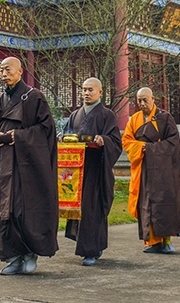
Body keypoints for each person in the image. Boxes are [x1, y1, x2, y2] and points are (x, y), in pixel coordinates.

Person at [0, 57, 59, 275]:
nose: (3, 74)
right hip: (4, 164)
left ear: (20, 71)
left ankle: (30, 253)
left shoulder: (33, 97)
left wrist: (19, 136)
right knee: (6, 210)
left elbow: (46, 129)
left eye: (8, 70)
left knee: (22, 209)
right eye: (1, 70)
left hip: (27, 165)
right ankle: (14, 258)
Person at [122, 87, 180, 253]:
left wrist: (151, 148)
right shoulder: (135, 119)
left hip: (163, 170)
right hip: (144, 168)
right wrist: (142, 147)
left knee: (165, 204)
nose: (142, 103)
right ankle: (152, 242)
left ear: (153, 99)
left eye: (145, 99)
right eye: (139, 100)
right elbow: (126, 141)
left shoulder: (164, 117)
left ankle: (166, 241)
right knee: (146, 204)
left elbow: (174, 144)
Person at [62, 77, 121, 266]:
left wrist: (104, 140)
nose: (86, 93)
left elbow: (116, 142)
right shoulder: (75, 114)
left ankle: (92, 250)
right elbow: (67, 134)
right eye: (84, 89)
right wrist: (63, 138)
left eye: (91, 90)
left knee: (92, 208)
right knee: (80, 208)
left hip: (96, 169)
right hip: (77, 171)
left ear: (100, 93)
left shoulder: (107, 115)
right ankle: (87, 245)